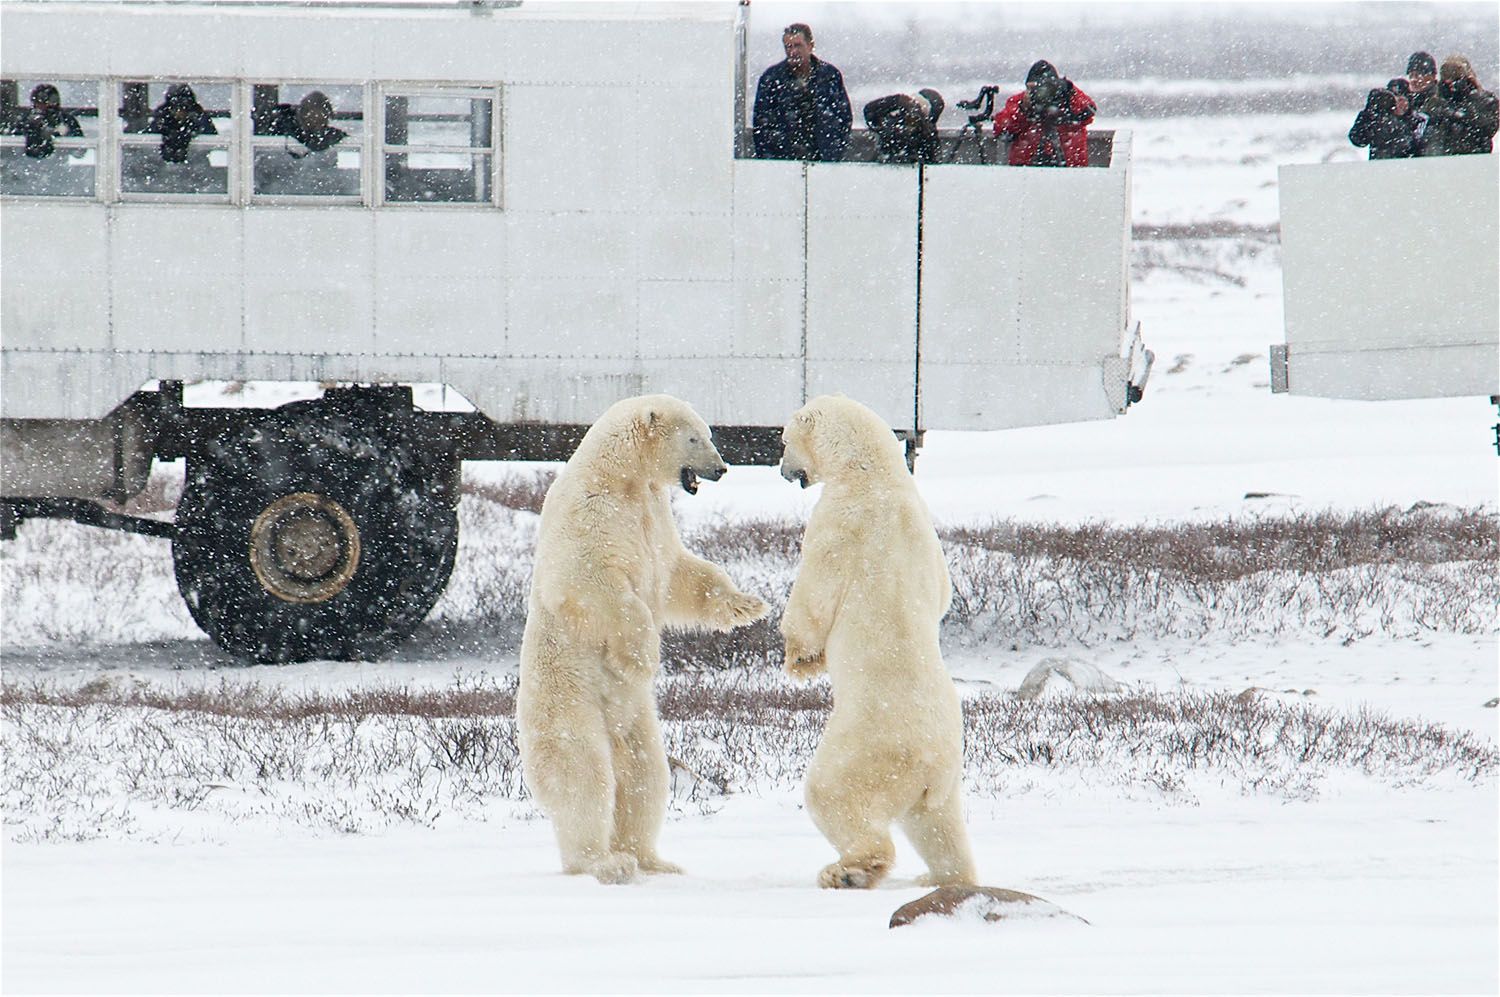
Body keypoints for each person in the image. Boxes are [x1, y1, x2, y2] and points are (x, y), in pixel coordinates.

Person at [752, 23, 851, 162]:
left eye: (798, 45)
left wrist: (834, 153)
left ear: (810, 46)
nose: (793, 52)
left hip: (824, 161)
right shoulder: (772, 79)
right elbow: (761, 125)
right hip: (783, 163)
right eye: (788, 46)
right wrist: (771, 161)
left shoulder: (829, 76)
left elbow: (843, 118)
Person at [992, 60, 1096, 168]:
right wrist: (1023, 109)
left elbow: (1089, 111)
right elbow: (1001, 129)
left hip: (1071, 170)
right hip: (1026, 171)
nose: (1042, 93)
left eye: (1048, 88)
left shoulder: (1068, 100)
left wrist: (1069, 90)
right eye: (1035, 88)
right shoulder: (1019, 102)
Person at [1419, 55, 1498, 156]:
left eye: (1456, 76)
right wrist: (1444, 99)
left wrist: (1466, 99)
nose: (1450, 82)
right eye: (1446, 76)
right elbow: (1425, 129)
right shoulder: (1435, 101)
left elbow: (1488, 128)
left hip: (1474, 159)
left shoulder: (1485, 99)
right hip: (1440, 161)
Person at [862, 89, 945, 164]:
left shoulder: (926, 131)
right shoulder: (926, 131)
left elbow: (870, 113)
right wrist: (897, 101)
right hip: (895, 163)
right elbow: (870, 112)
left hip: (898, 164)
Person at [253, 90, 347, 155]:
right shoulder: (285, 123)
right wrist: (338, 135)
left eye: (324, 120)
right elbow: (315, 143)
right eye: (318, 119)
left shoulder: (291, 123)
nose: (321, 124)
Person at [146, 83, 216, 163]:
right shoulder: (162, 118)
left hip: (196, 166)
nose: (179, 113)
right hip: (163, 167)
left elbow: (212, 139)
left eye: (184, 109)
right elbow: (146, 139)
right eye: (175, 108)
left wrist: (190, 130)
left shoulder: (199, 119)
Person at [12, 83, 83, 159]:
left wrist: (63, 134)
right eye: (40, 101)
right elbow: (13, 145)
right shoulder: (27, 119)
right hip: (25, 166)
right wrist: (33, 129)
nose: (46, 106)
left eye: (51, 102)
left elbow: (80, 150)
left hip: (59, 166)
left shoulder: (65, 119)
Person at [1348, 86, 1416, 159]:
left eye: (1401, 100)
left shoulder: (1415, 121)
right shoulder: (1379, 120)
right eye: (1395, 100)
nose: (1398, 104)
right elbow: (1358, 139)